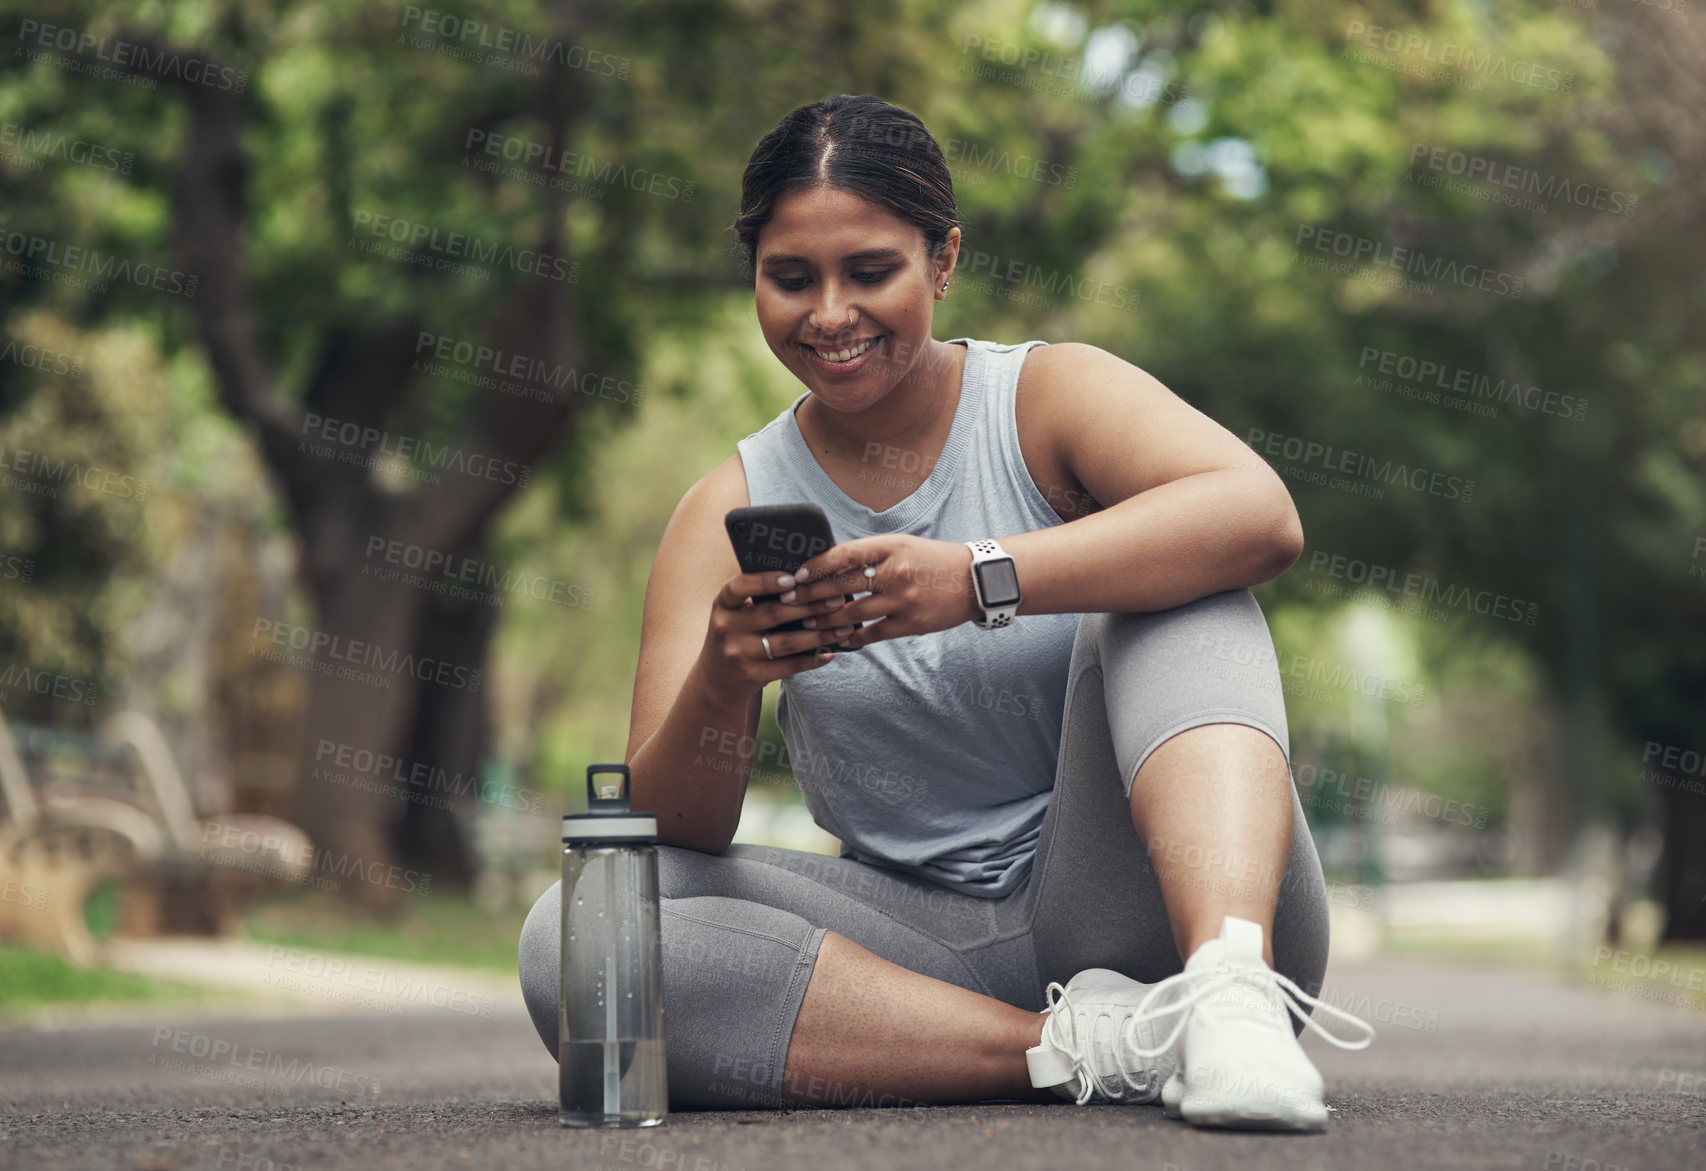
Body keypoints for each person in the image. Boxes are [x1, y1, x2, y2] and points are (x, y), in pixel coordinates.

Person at [520, 93, 1373, 1131]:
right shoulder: (725, 509)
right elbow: (676, 833)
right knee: (580, 932)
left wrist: (976, 578)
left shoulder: (1044, 401)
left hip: (1150, 899)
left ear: (942, 260)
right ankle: (1089, 1047)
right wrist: (726, 675)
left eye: (868, 270)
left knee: (1183, 582)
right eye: (790, 279)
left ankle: (1229, 995)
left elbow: (1258, 514)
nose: (828, 314)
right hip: (929, 954)